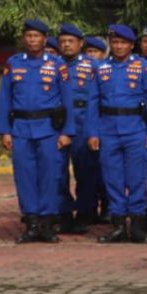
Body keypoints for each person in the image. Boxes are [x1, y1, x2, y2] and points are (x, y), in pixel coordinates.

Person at [0, 19, 76, 244]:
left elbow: (67, 100)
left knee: (51, 176)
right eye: (28, 36)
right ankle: (31, 224)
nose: (32, 40)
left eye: (36, 36)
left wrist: (67, 131)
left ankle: (47, 225)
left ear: (44, 39)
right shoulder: (14, 63)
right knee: (25, 177)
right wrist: (4, 131)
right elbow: (5, 99)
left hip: (49, 128)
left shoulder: (57, 64)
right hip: (21, 128)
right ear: (24, 39)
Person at [86, 25, 147, 244]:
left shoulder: (142, 67)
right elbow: (92, 102)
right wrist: (92, 132)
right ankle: (118, 226)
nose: (119, 46)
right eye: (115, 42)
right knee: (112, 179)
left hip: (135, 130)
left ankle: (138, 227)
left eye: (123, 43)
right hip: (107, 129)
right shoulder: (101, 68)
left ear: (131, 45)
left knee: (137, 178)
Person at [55, 23, 96, 234]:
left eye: (71, 41)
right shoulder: (52, 64)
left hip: (84, 120)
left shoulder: (92, 66)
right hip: (58, 123)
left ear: (81, 43)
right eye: (62, 42)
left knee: (85, 170)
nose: (67, 45)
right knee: (57, 171)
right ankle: (63, 213)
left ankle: (84, 213)